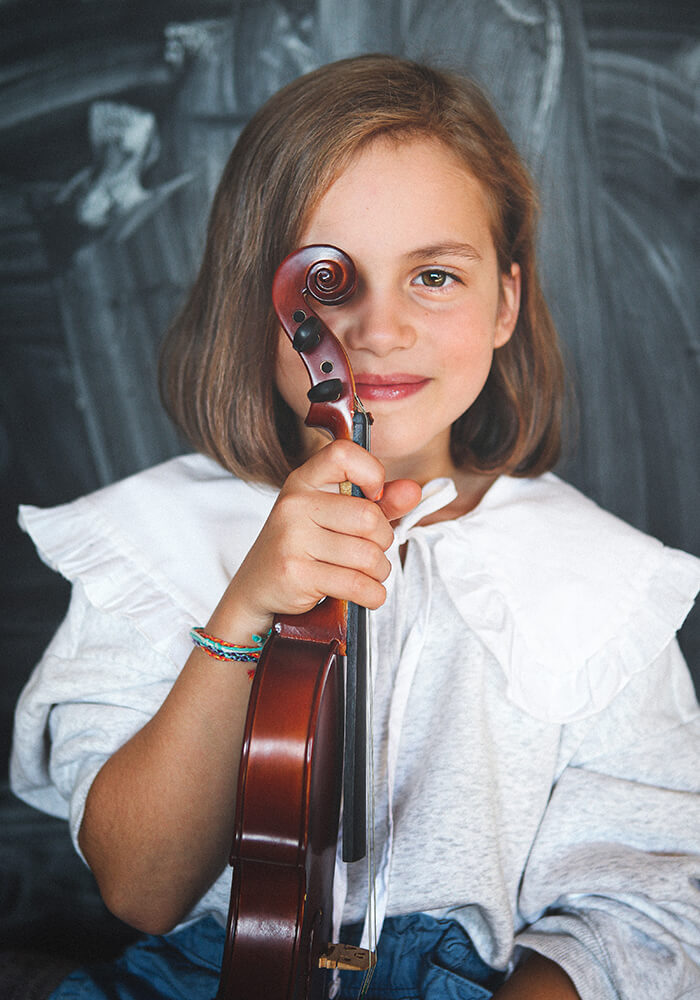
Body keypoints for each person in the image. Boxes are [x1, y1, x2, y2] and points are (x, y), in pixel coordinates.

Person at [11, 54, 700, 1000]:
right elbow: (141, 887)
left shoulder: (603, 584)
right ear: (265, 301)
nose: (378, 330)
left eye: (434, 277)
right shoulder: (150, 541)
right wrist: (246, 609)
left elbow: (645, 906)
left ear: (504, 301)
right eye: (330, 282)